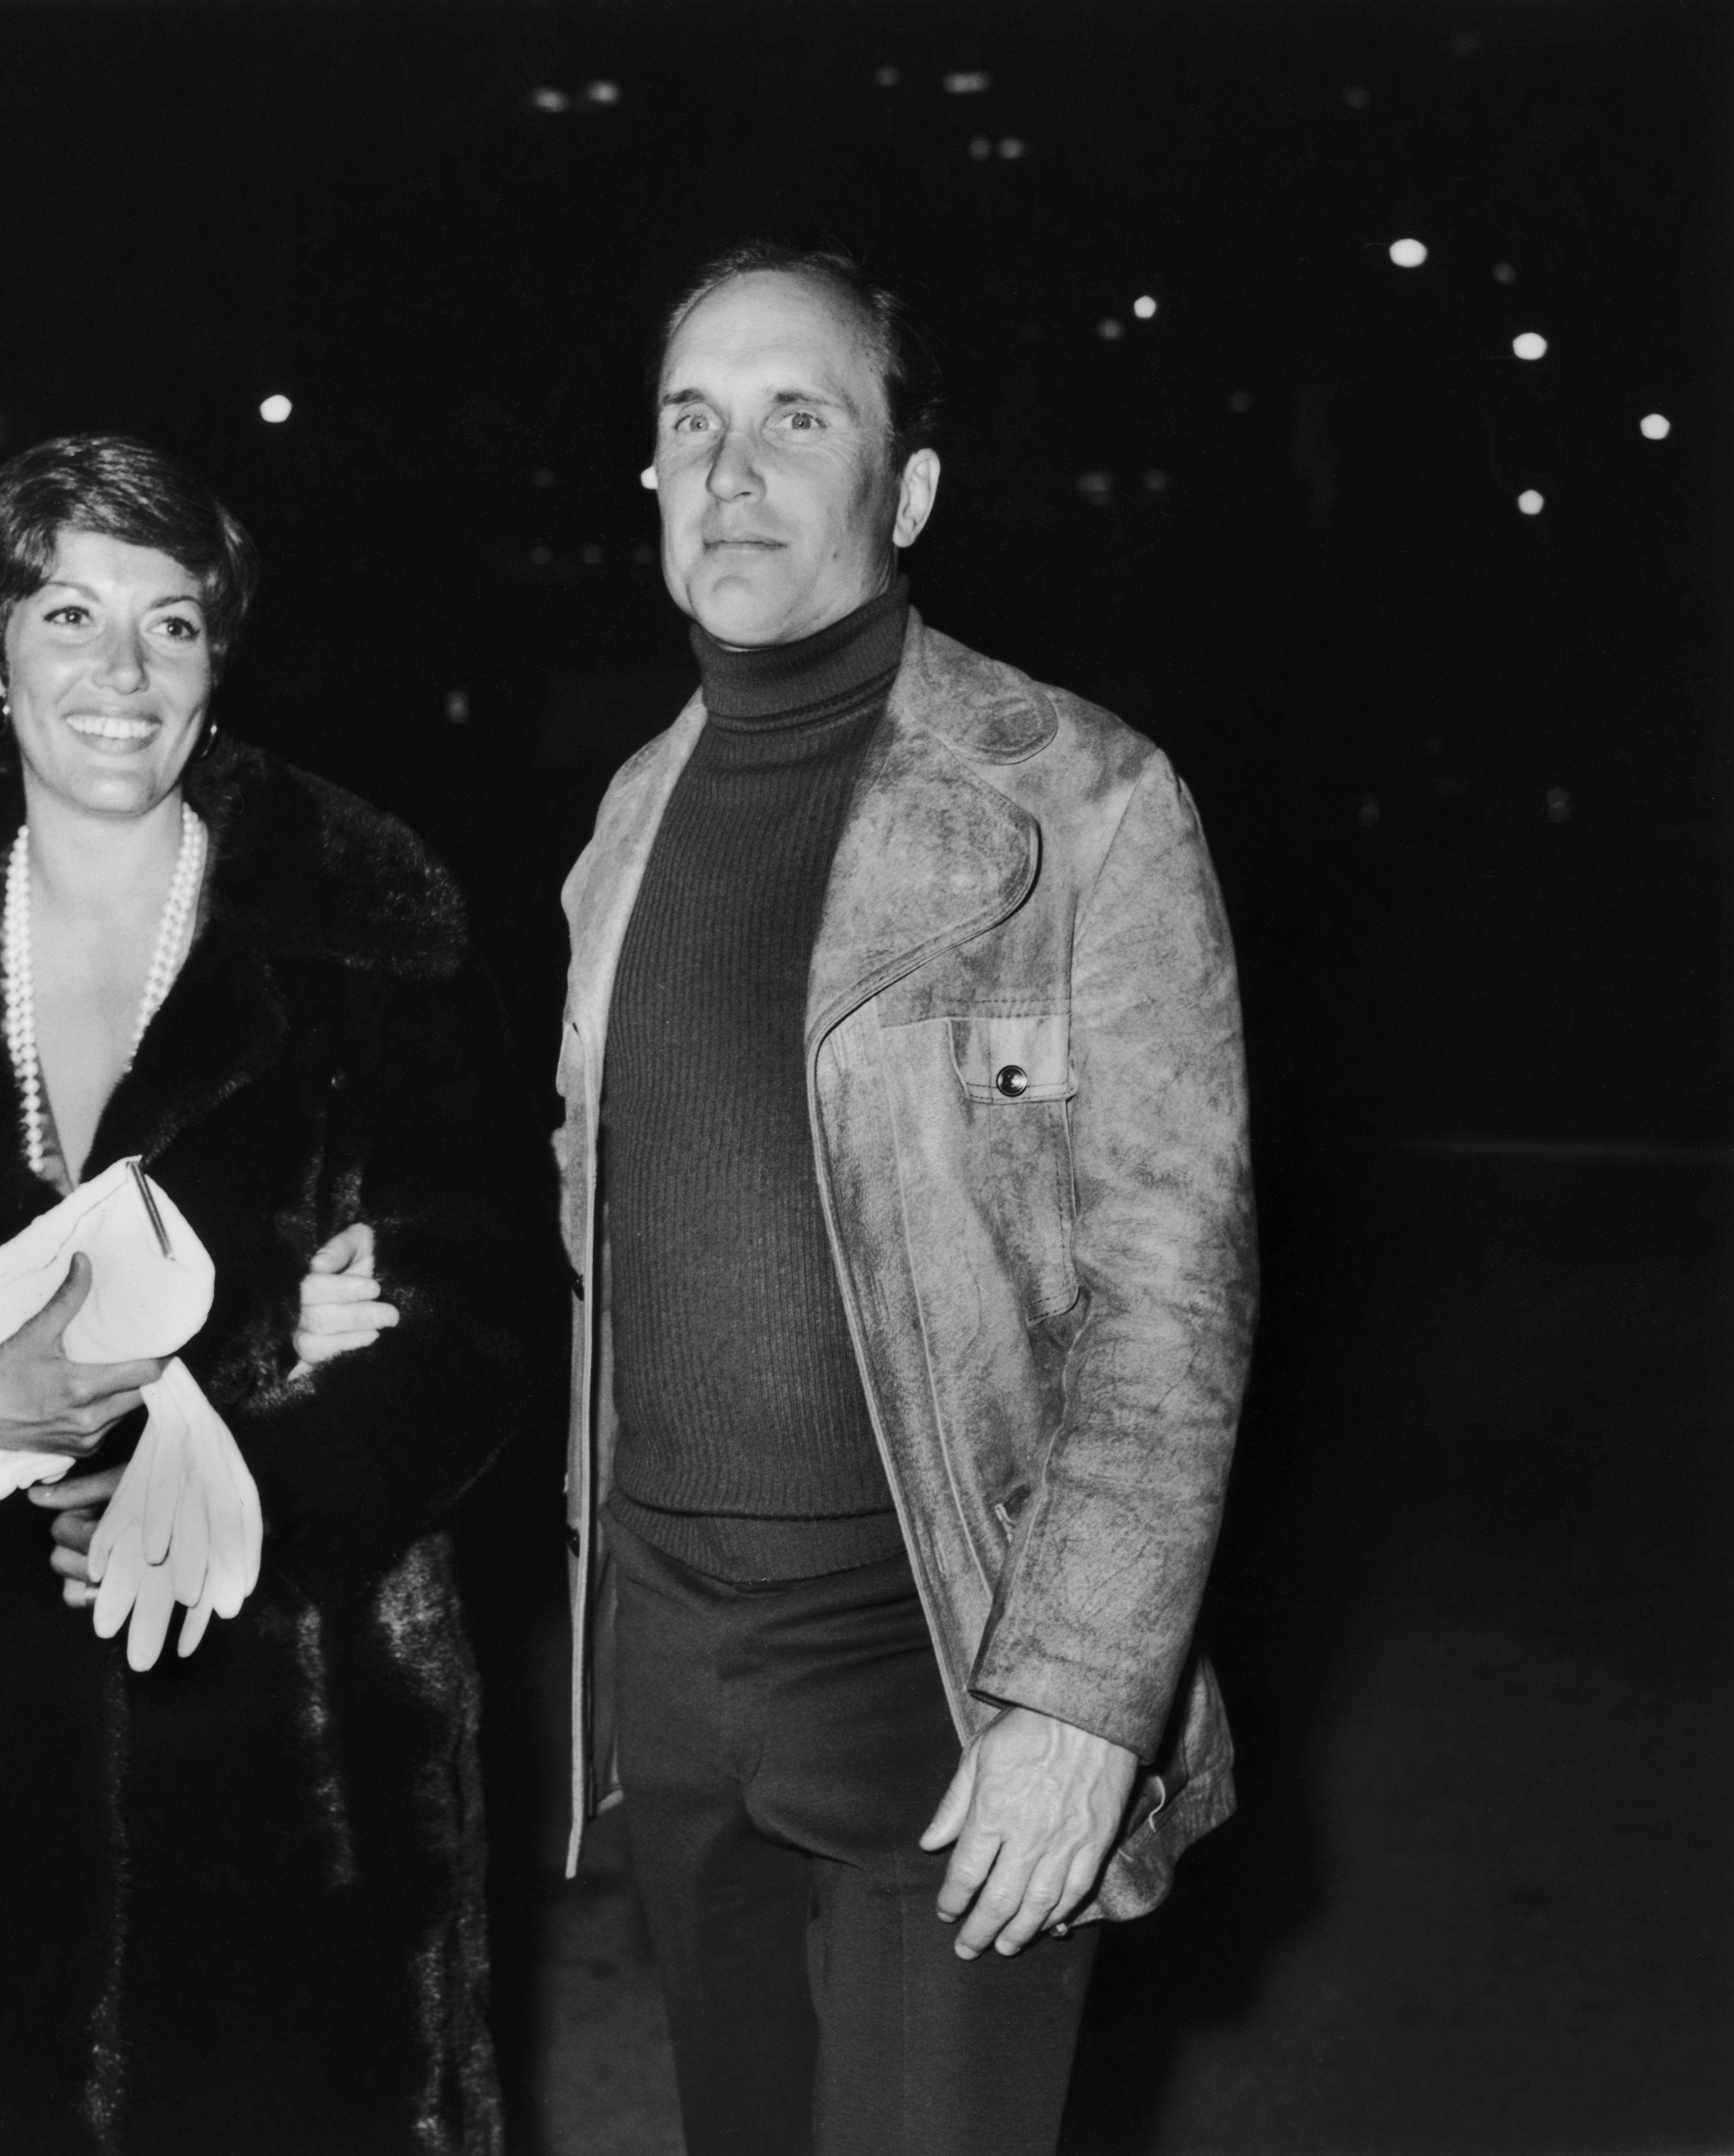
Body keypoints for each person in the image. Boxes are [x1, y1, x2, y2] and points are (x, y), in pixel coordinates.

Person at [0, 433, 553, 2155]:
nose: (120, 673)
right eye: (67, 613)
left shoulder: (361, 916)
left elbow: (483, 1299)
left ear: (217, 658)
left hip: (293, 1719)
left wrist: (277, 1458)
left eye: (171, 625)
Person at [551, 245, 1259, 2154]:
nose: (732, 469)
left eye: (801, 416)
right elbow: (606, 1237)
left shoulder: (1080, 806)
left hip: (944, 1663)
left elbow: (1171, 1295)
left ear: (909, 489)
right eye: (690, 419)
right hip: (679, 1667)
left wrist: (1084, 1701)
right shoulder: (625, 818)